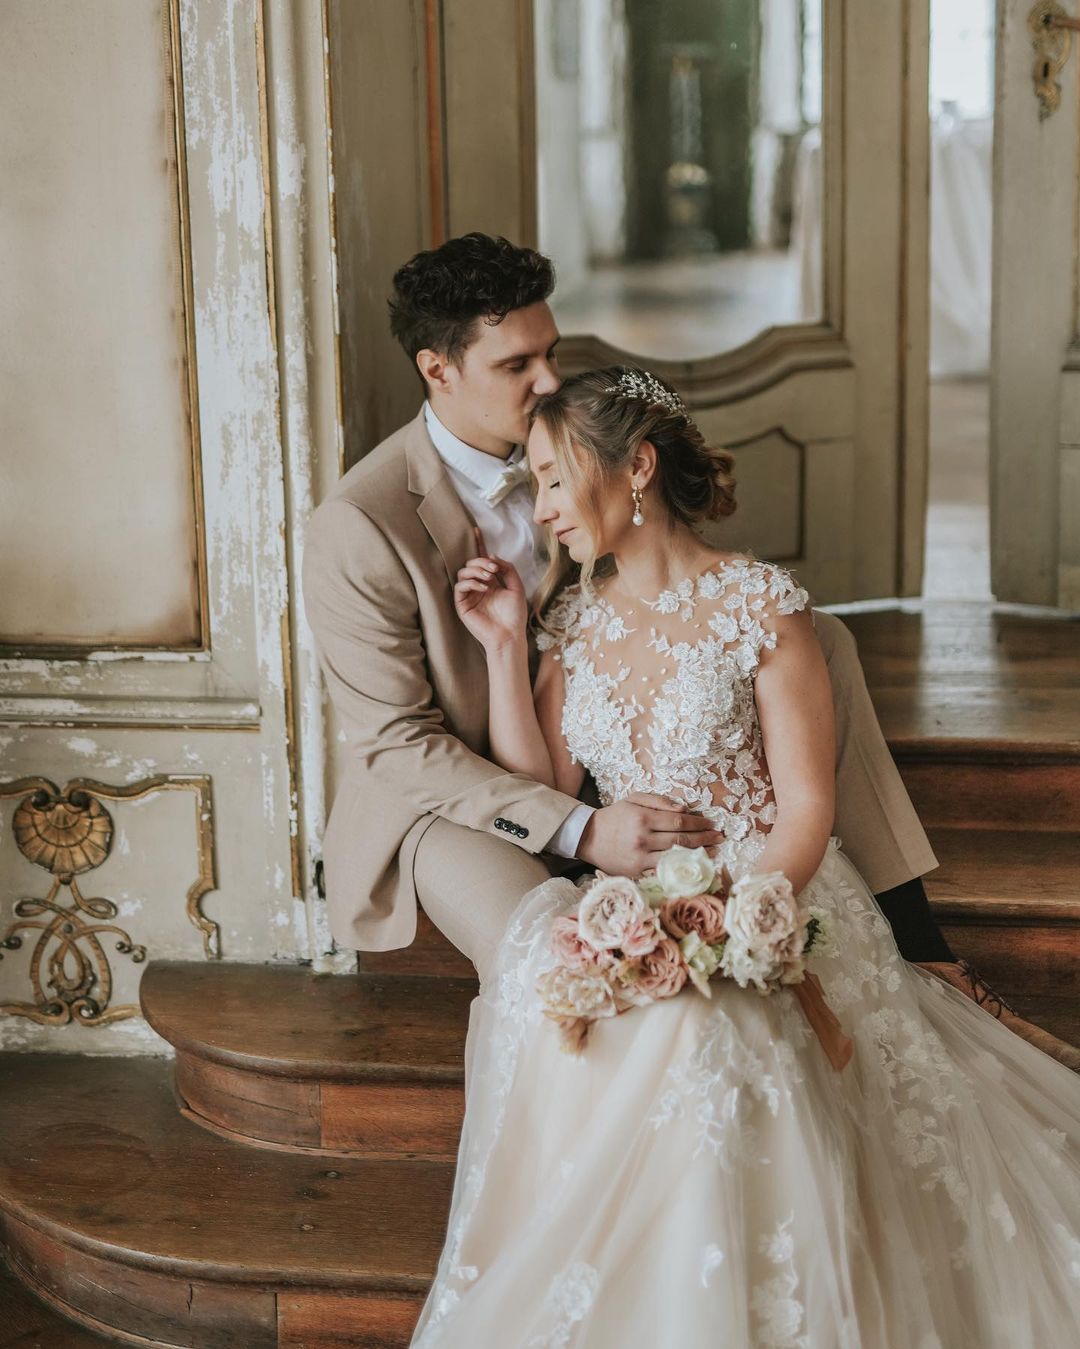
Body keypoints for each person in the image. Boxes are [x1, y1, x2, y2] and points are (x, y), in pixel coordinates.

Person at [409, 367, 1080, 1346]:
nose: (543, 508)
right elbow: (543, 781)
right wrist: (506, 646)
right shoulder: (576, 622)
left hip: (776, 901)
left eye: (555, 479)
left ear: (634, 466)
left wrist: (739, 915)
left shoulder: (761, 606)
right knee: (560, 1008)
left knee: (702, 1034)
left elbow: (808, 807)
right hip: (631, 913)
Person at [302, 232, 990, 1005]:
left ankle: (911, 928)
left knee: (814, 636)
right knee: (553, 969)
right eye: (515, 365)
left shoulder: (580, 441)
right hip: (464, 799)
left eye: (550, 351)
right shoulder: (361, 526)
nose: (548, 379)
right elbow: (402, 747)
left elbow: (674, 588)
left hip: (607, 734)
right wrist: (580, 829)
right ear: (438, 369)